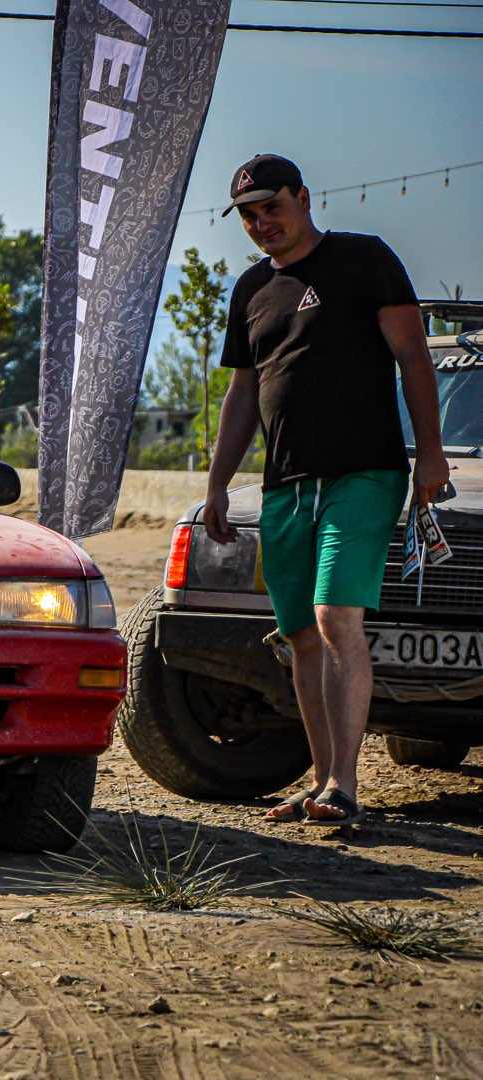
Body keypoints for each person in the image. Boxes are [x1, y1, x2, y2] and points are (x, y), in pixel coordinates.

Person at [203, 154, 449, 826]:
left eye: (272, 207)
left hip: (364, 472)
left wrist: (431, 455)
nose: (263, 223)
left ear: (304, 198)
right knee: (300, 636)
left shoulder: (365, 259)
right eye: (250, 215)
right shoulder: (251, 287)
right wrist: (218, 484)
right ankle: (321, 784)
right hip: (284, 484)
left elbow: (414, 358)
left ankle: (345, 782)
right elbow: (243, 391)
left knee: (335, 616)